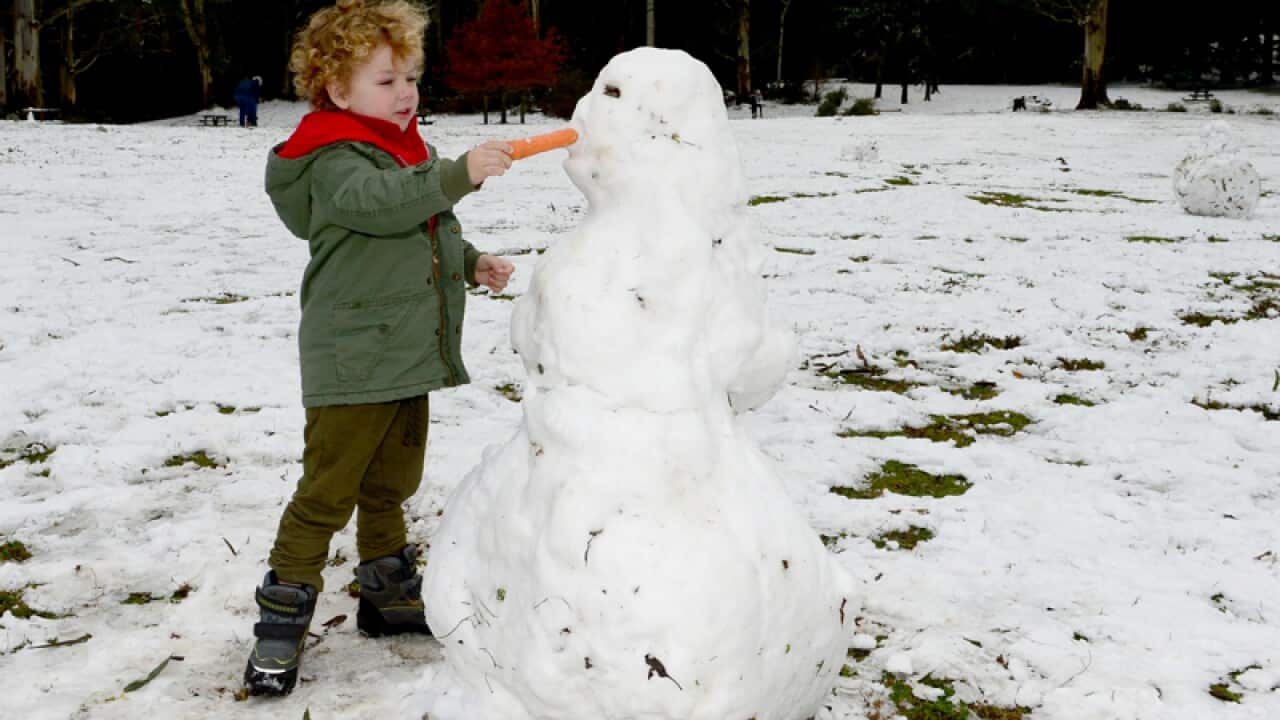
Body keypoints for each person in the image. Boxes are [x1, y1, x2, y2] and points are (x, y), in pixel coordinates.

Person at [243, 0, 515, 696]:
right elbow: (383, 203)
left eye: (411, 78)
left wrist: (468, 260)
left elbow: (426, 221)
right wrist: (459, 172)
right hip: (352, 354)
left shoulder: (403, 149)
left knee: (391, 480)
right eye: (387, 81)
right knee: (327, 492)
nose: (406, 94)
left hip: (403, 351)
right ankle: (281, 618)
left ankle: (387, 591)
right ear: (337, 91)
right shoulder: (333, 157)